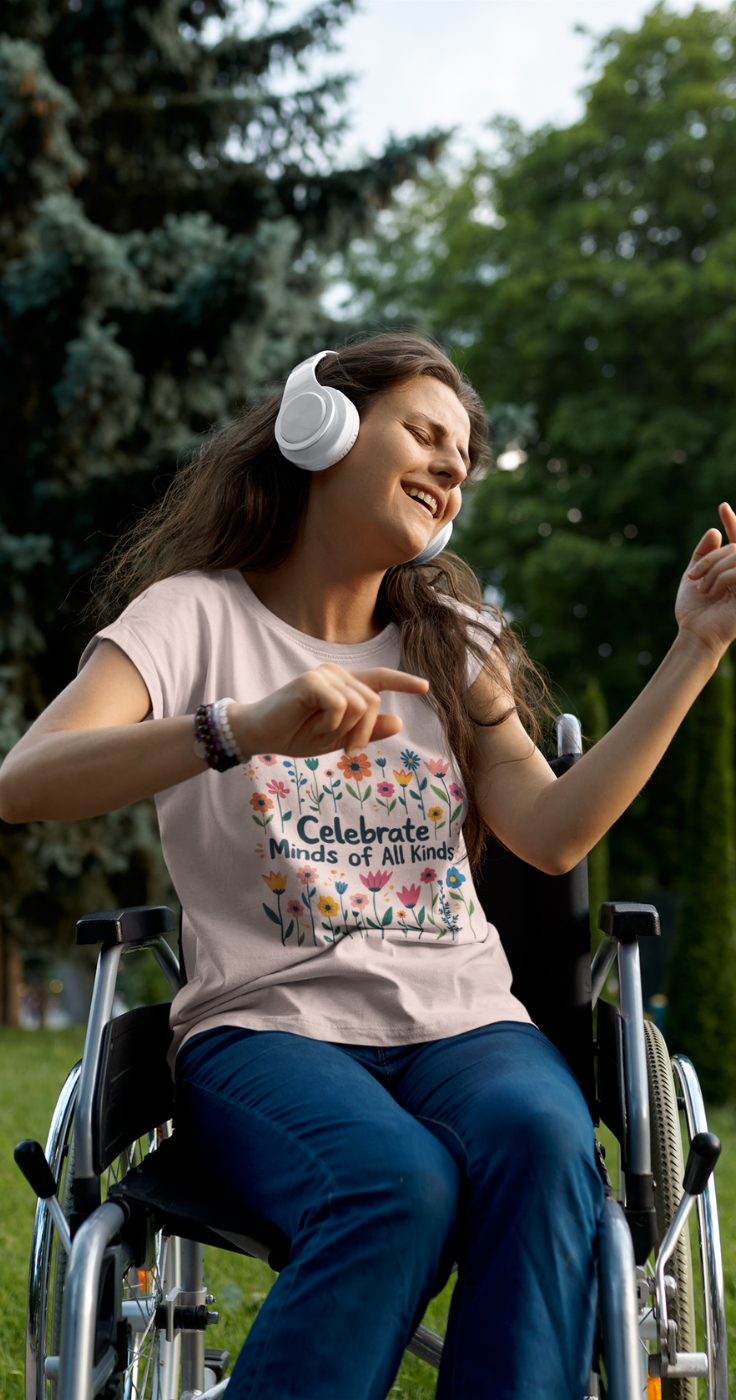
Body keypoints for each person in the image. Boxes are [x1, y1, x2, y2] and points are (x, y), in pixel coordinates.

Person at [2, 332, 735, 1400]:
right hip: (268, 1031)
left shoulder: (452, 640)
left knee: (544, 1139)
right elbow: (25, 780)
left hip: (467, 1027)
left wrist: (695, 649)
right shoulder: (192, 615)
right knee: (392, 1180)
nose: (450, 465)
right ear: (321, 431)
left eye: (464, 458)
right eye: (424, 433)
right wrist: (238, 727)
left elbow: (552, 828)